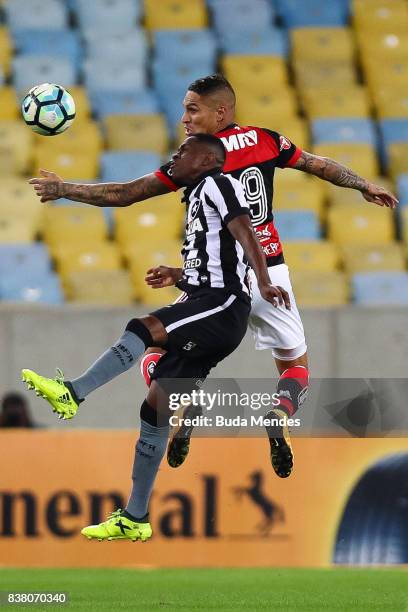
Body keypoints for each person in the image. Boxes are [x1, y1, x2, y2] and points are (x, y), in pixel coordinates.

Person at [28, 75, 398, 479]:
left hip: (220, 279)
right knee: (295, 366)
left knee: (154, 350)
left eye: (193, 109)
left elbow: (126, 193)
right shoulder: (266, 139)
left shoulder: (198, 159)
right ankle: (280, 413)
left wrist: (65, 189)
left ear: (220, 112)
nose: (184, 118)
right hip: (272, 272)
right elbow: (319, 165)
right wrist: (363, 184)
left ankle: (179, 403)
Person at [22, 133, 289, 541]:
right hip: (209, 299)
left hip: (222, 304)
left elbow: (244, 231)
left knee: (143, 329)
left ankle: (72, 393)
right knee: (155, 410)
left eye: (182, 151)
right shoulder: (199, 191)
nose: (174, 155)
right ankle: (136, 516)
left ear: (204, 159)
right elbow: (127, 195)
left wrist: (266, 281)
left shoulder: (219, 183)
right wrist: (179, 274)